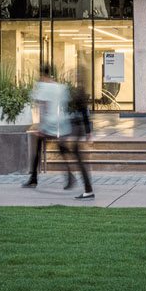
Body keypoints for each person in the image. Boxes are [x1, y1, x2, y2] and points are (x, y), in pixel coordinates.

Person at [23, 63, 73, 191]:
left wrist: (40, 126)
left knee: (38, 150)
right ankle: (69, 175)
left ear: (41, 74)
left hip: (49, 122)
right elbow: (65, 105)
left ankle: (33, 178)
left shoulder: (42, 87)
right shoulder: (60, 87)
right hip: (61, 121)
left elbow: (43, 107)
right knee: (61, 149)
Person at [60, 68, 95, 199]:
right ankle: (75, 180)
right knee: (70, 152)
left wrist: (88, 133)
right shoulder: (79, 90)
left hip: (76, 128)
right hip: (75, 127)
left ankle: (87, 188)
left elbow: (84, 113)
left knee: (78, 159)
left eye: (77, 74)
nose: (75, 76)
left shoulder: (80, 91)